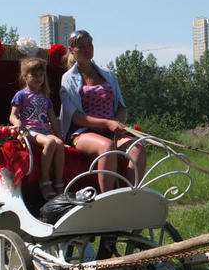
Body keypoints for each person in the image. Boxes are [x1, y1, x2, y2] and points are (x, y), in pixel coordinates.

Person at [59, 30, 146, 193]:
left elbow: (121, 107)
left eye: (89, 45)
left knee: (137, 147)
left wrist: (117, 123)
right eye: (81, 47)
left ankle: (131, 194)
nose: (87, 50)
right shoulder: (68, 79)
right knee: (107, 147)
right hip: (81, 133)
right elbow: (76, 118)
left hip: (110, 131)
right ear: (71, 50)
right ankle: (106, 199)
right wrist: (107, 123)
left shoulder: (108, 75)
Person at [10, 57, 65, 199]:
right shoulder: (21, 95)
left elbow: (53, 118)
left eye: (41, 75)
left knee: (58, 144)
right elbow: (13, 115)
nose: (38, 78)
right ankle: (45, 180)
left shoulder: (45, 98)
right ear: (25, 77)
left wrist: (60, 136)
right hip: (28, 130)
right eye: (34, 75)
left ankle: (59, 182)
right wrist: (17, 123)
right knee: (50, 142)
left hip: (43, 131)